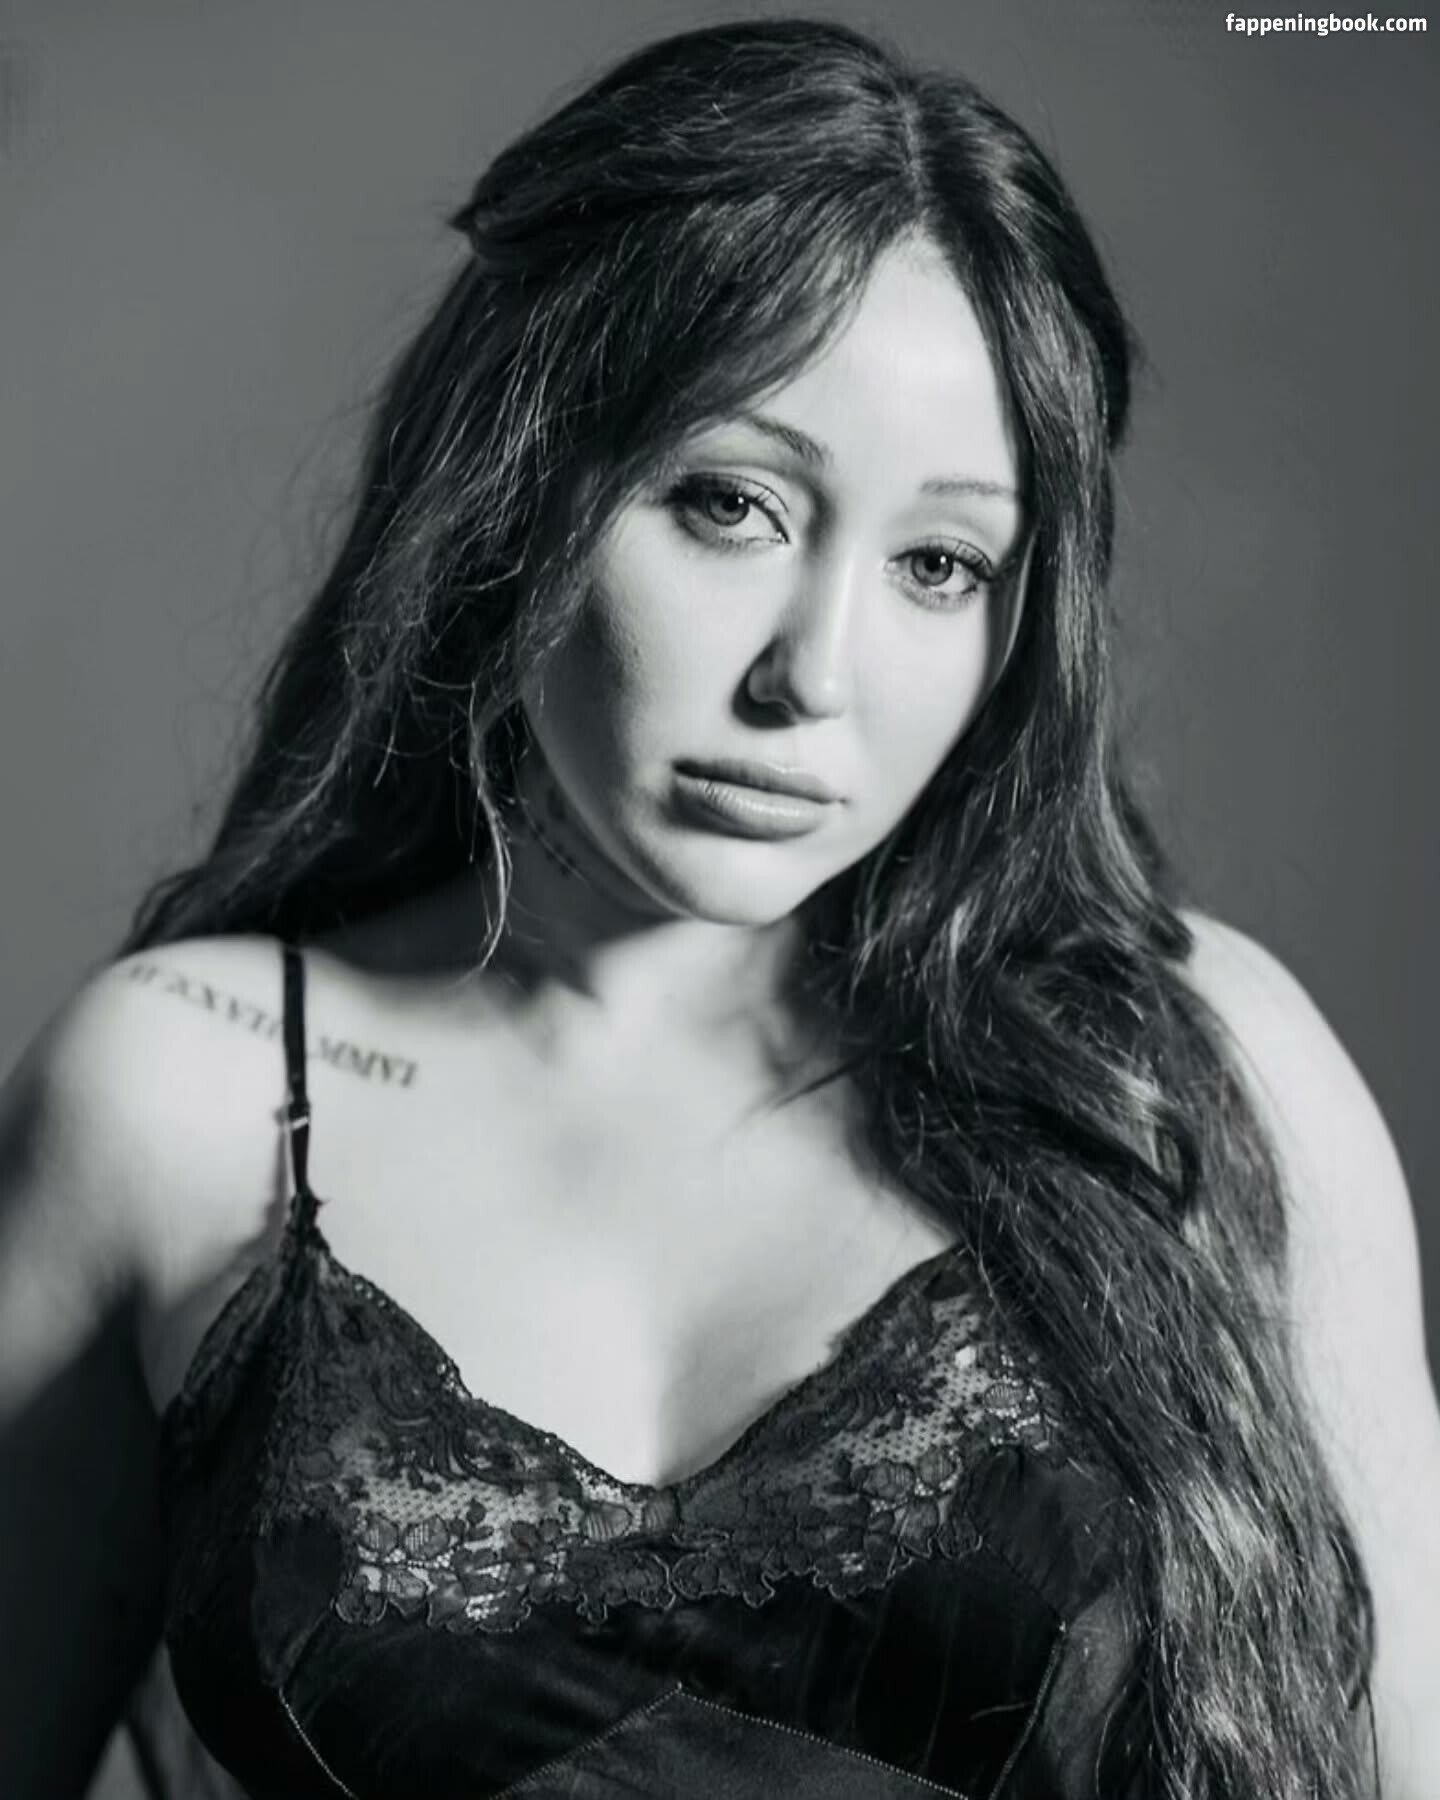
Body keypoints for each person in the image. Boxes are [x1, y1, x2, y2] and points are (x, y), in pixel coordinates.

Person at [1, 16, 1435, 1799]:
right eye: (732, 504)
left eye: (940, 564)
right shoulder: (182, 1092)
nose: (814, 676)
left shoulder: (1189, 1077)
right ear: (515, 483)